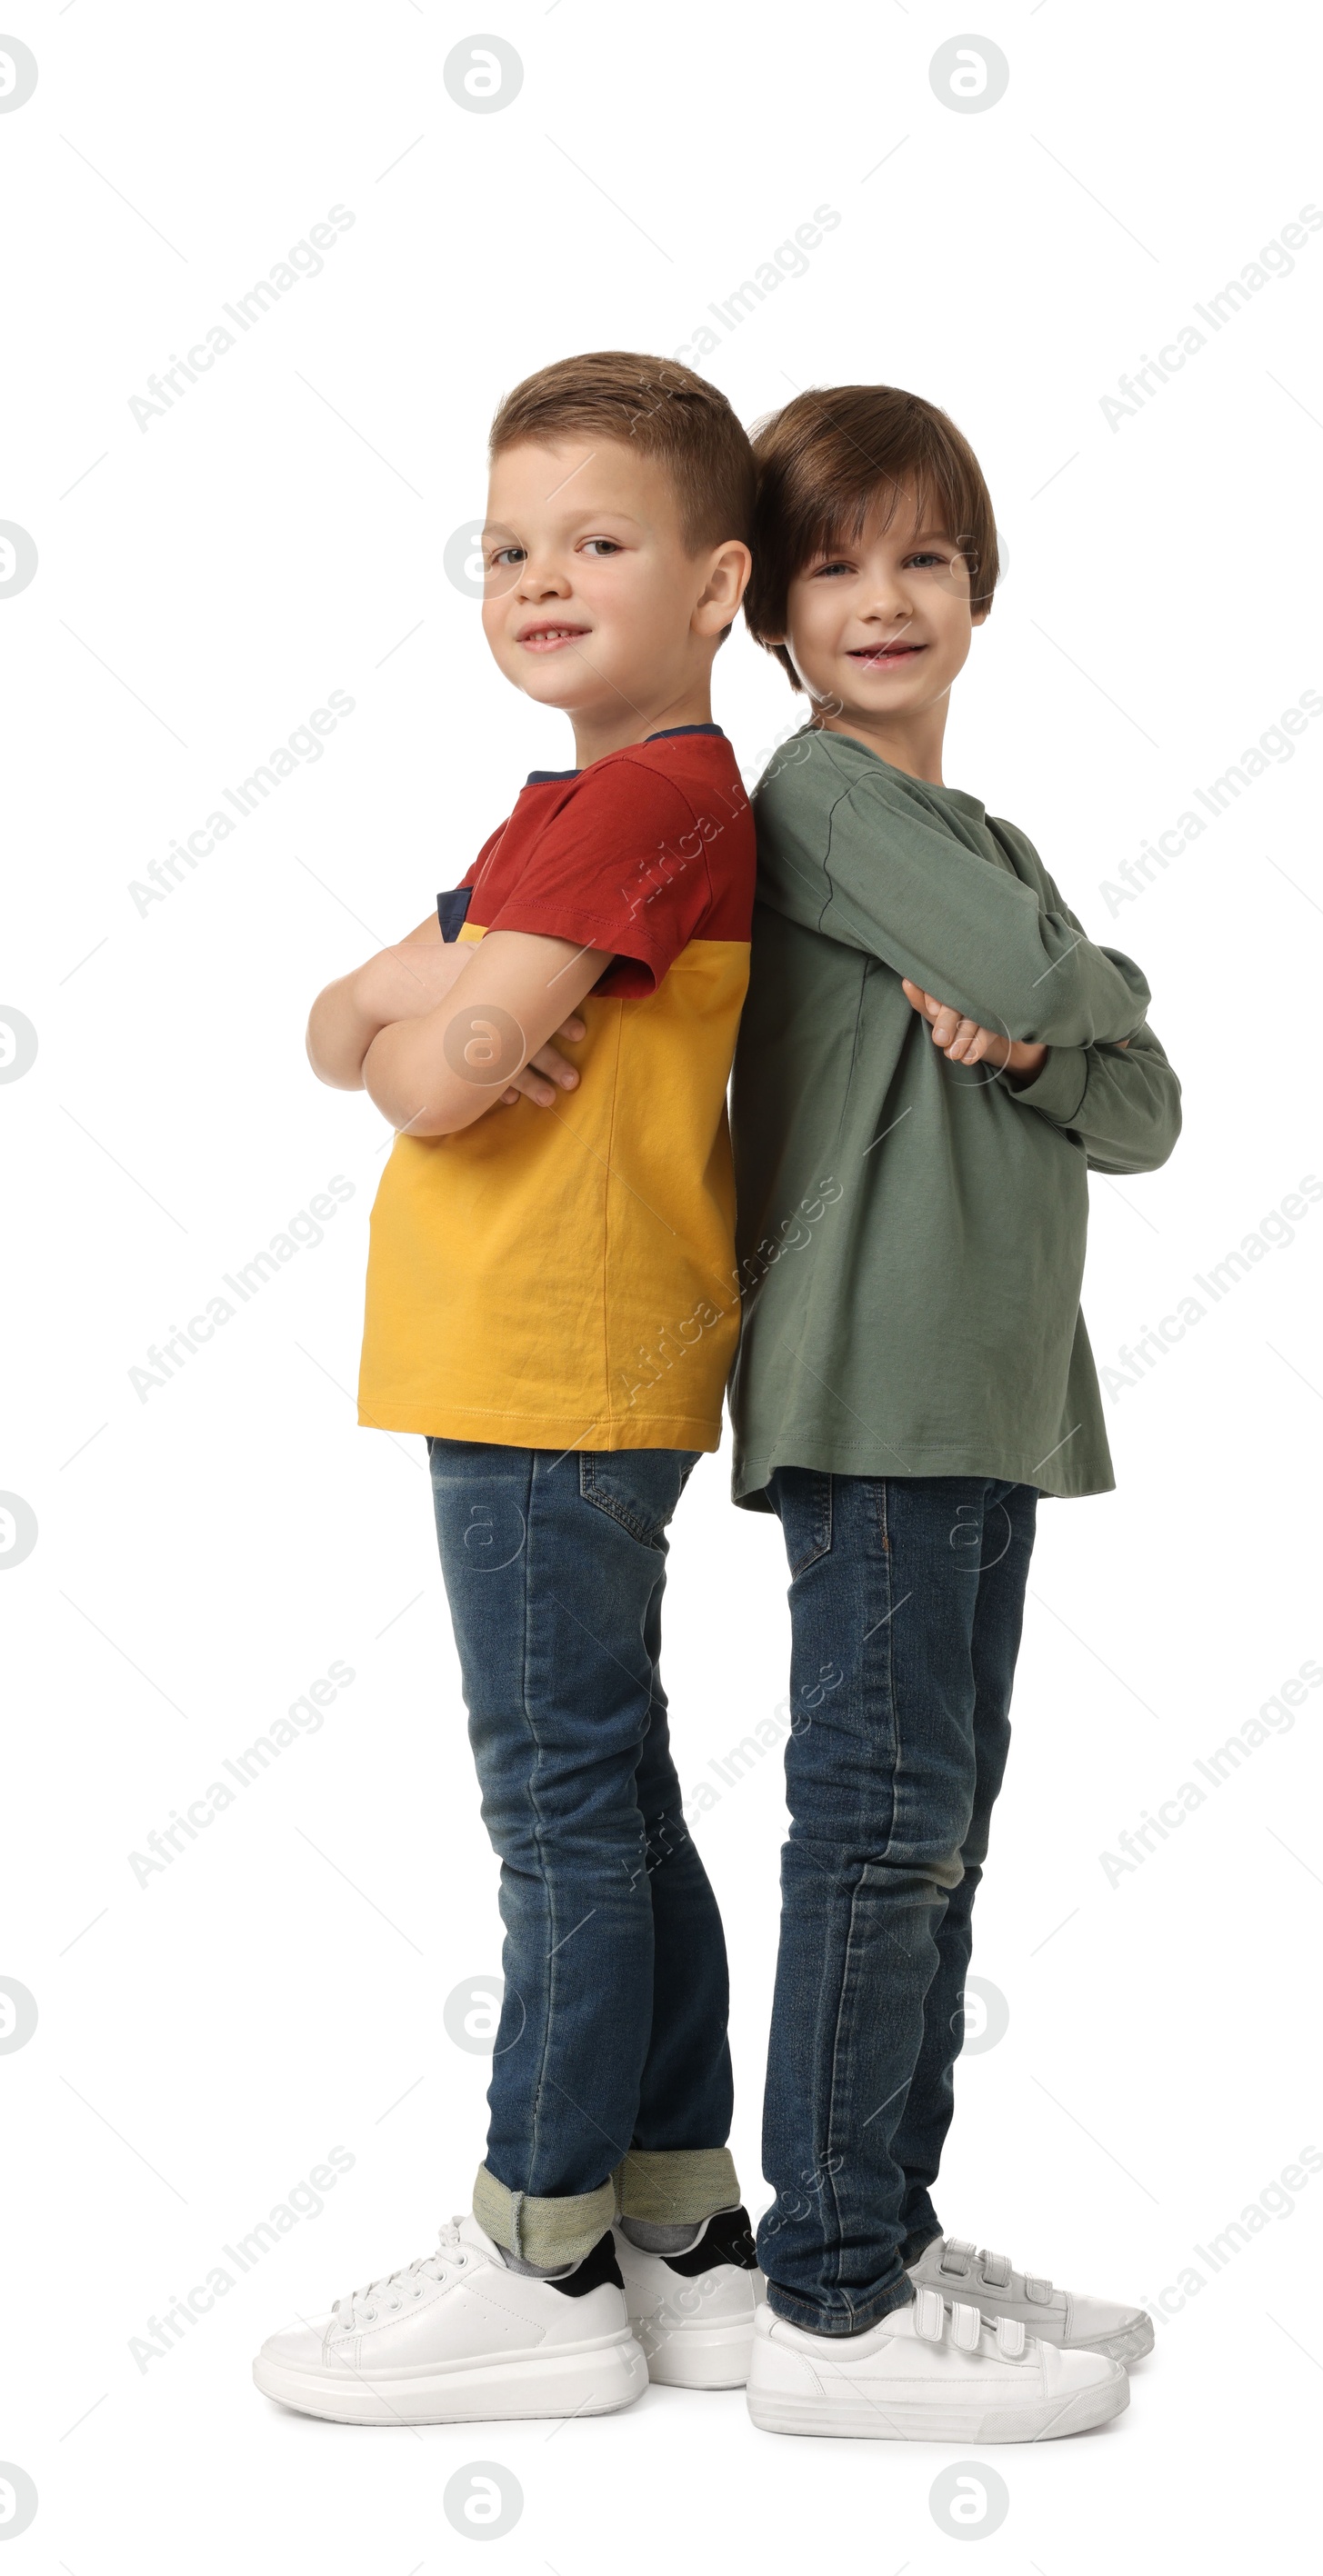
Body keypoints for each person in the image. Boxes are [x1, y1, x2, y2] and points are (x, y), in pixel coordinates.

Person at [253, 352, 763, 2426]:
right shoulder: (566, 807)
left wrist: (429, 1019)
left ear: (718, 582)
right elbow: (332, 1026)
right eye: (507, 547)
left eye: (599, 541)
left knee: (556, 1811)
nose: (539, 577)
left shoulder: (646, 801)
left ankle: (536, 2248)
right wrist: (415, 1013)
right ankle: (678, 2223)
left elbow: (446, 1079)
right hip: (551, 1356)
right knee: (611, 1795)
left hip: (555, 1353)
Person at [729, 383, 1182, 2442]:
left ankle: (885, 2234)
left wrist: (1047, 1013)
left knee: (941, 1839)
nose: (882, 597)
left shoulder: (976, 839)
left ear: (978, 591)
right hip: (879, 1380)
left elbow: (1142, 1109)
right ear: (776, 614)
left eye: (921, 557)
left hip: (993, 1400)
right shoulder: (820, 797)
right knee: (878, 1833)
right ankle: (824, 2293)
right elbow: (1033, 973)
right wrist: (1054, 983)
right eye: (834, 564)